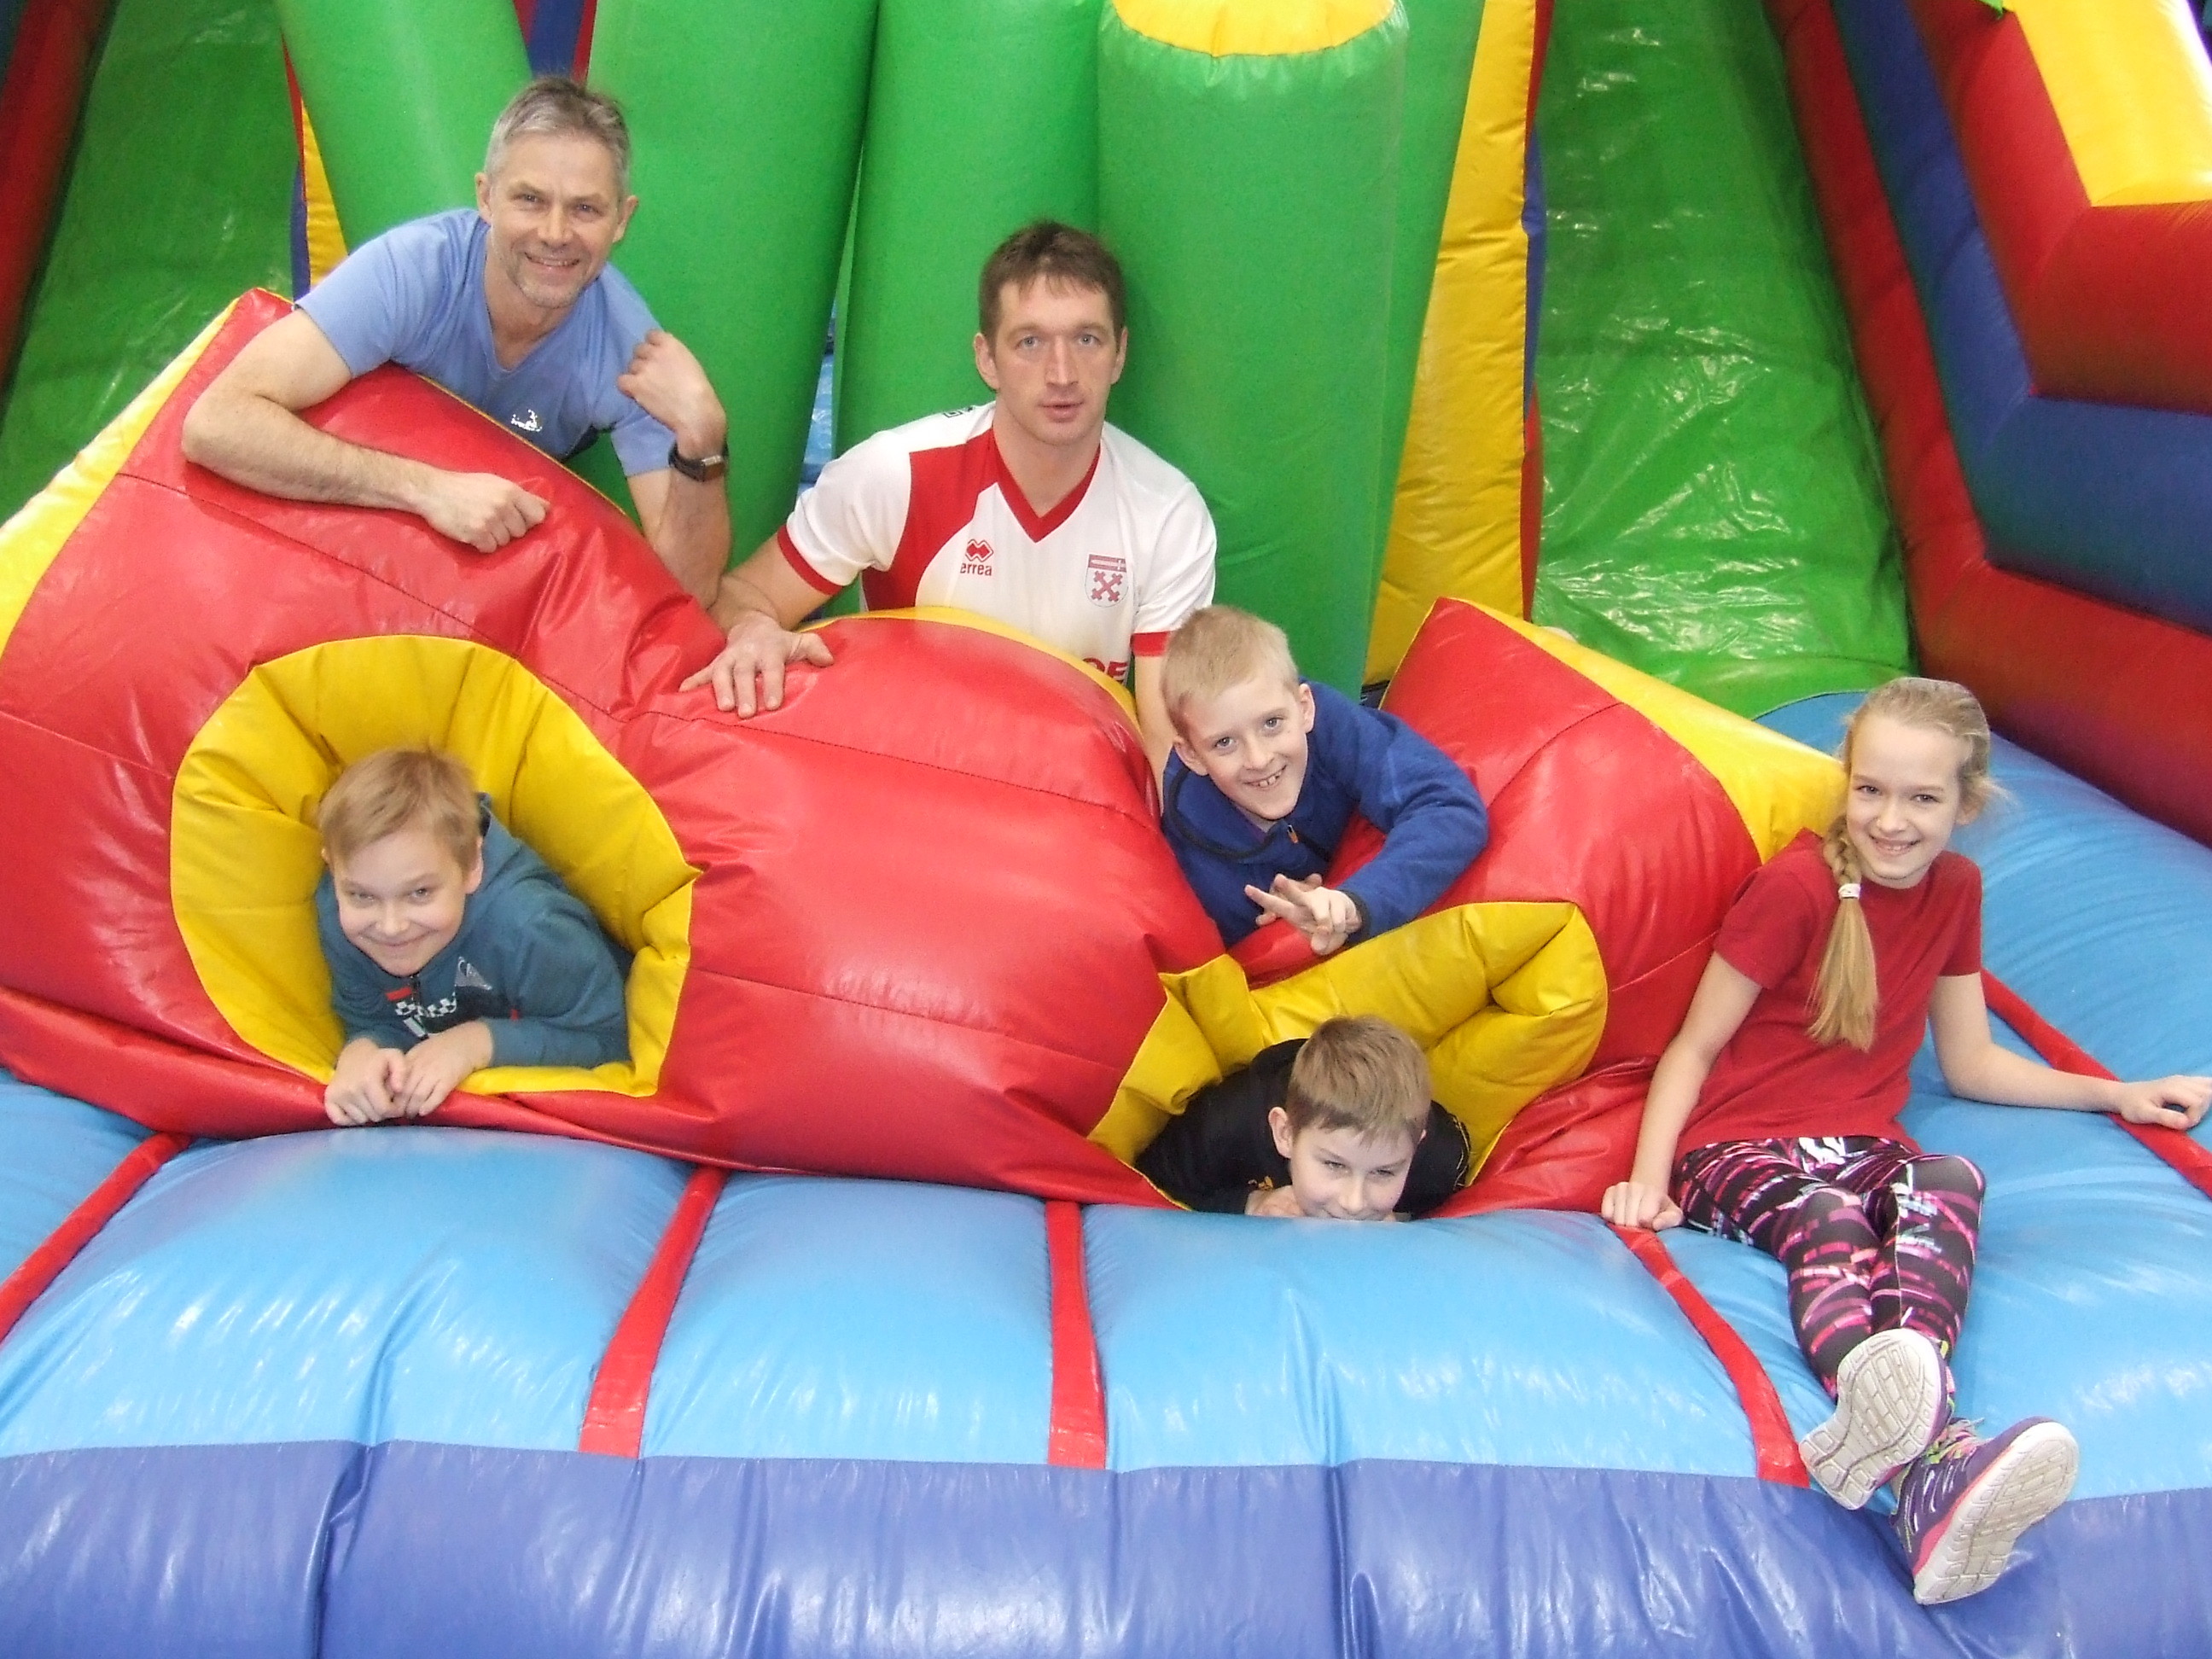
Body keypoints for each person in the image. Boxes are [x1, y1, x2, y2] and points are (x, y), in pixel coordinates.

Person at [1599, 677, 2212, 1606]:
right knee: (1829, 1217)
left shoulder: (1956, 890)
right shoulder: (1797, 889)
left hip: (1861, 1143)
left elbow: (1971, 1062)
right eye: (1871, 790)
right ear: (1847, 782)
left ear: (1966, 804)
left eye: (1922, 798)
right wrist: (1650, 1183)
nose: (1891, 820)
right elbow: (1694, 1046)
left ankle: (1921, 1469)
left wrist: (2116, 1094)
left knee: (1952, 1179)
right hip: (1736, 1148)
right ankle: (1901, 1420)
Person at [682, 220, 1216, 771]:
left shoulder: (1166, 515)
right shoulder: (896, 475)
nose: (1062, 374)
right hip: (909, 776)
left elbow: (1165, 747)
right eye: (1030, 342)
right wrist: (753, 630)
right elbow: (744, 595)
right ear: (987, 359)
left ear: (1120, 353)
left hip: (1064, 797)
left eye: (1087, 340)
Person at [181, 76, 731, 604]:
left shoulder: (631, 353)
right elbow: (216, 422)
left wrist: (704, 439)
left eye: (585, 208)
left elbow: (688, 591)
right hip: (361, 510)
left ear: (622, 220)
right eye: (530, 200)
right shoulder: (413, 272)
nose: (556, 234)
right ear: (486, 198)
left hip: (492, 547)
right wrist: (425, 489)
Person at [316, 746, 631, 1126]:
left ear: (471, 866)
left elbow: (610, 1039)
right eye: (362, 896)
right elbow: (374, 1018)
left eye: (420, 893)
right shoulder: (343, 918)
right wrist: (362, 1054)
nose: (391, 926)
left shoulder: (531, 927)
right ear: (334, 870)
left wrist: (477, 1044)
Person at [1159, 605, 1488, 958]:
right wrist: (1282, 920)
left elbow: (1449, 807)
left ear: (1305, 707)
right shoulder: (1197, 843)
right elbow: (1231, 963)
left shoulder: (1332, 727)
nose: (1259, 759)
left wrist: (1355, 901)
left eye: (1271, 724)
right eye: (1225, 742)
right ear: (1192, 755)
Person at [1138, 1016, 1467, 1219]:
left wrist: (1405, 1221)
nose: (1354, 1203)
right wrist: (1248, 1203)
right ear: (1285, 1133)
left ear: (1416, 1147)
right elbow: (1149, 1187)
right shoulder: (1226, 1125)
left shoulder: (1436, 1164)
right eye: (1334, 1165)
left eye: (1383, 1172)